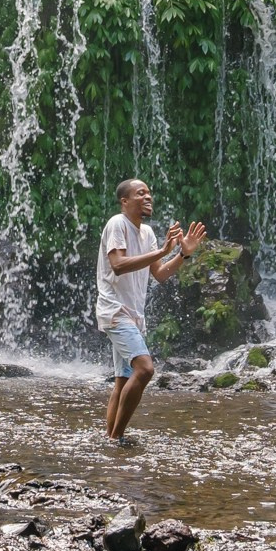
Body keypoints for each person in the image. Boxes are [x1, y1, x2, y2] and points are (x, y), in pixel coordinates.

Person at [96, 178, 204, 446]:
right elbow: (118, 264)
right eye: (140, 193)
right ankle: (117, 438)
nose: (147, 197)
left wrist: (183, 254)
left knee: (123, 380)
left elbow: (160, 274)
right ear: (124, 201)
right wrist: (163, 250)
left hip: (133, 315)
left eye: (149, 193)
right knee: (145, 369)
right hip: (115, 311)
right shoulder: (117, 223)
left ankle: (110, 440)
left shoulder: (147, 233)